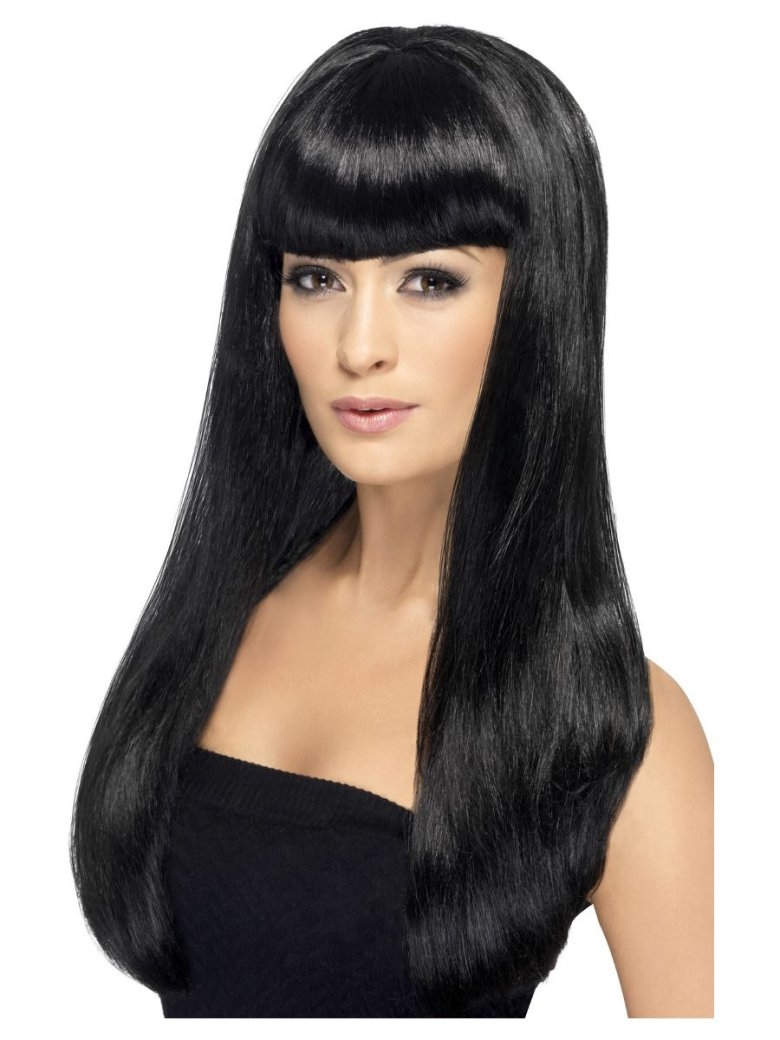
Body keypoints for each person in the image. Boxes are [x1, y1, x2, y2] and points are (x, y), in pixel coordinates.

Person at [69, 24, 713, 1018]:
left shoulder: (619, 733)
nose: (358, 344)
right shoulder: (216, 617)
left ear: (537, 302)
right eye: (317, 278)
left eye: (429, 280)